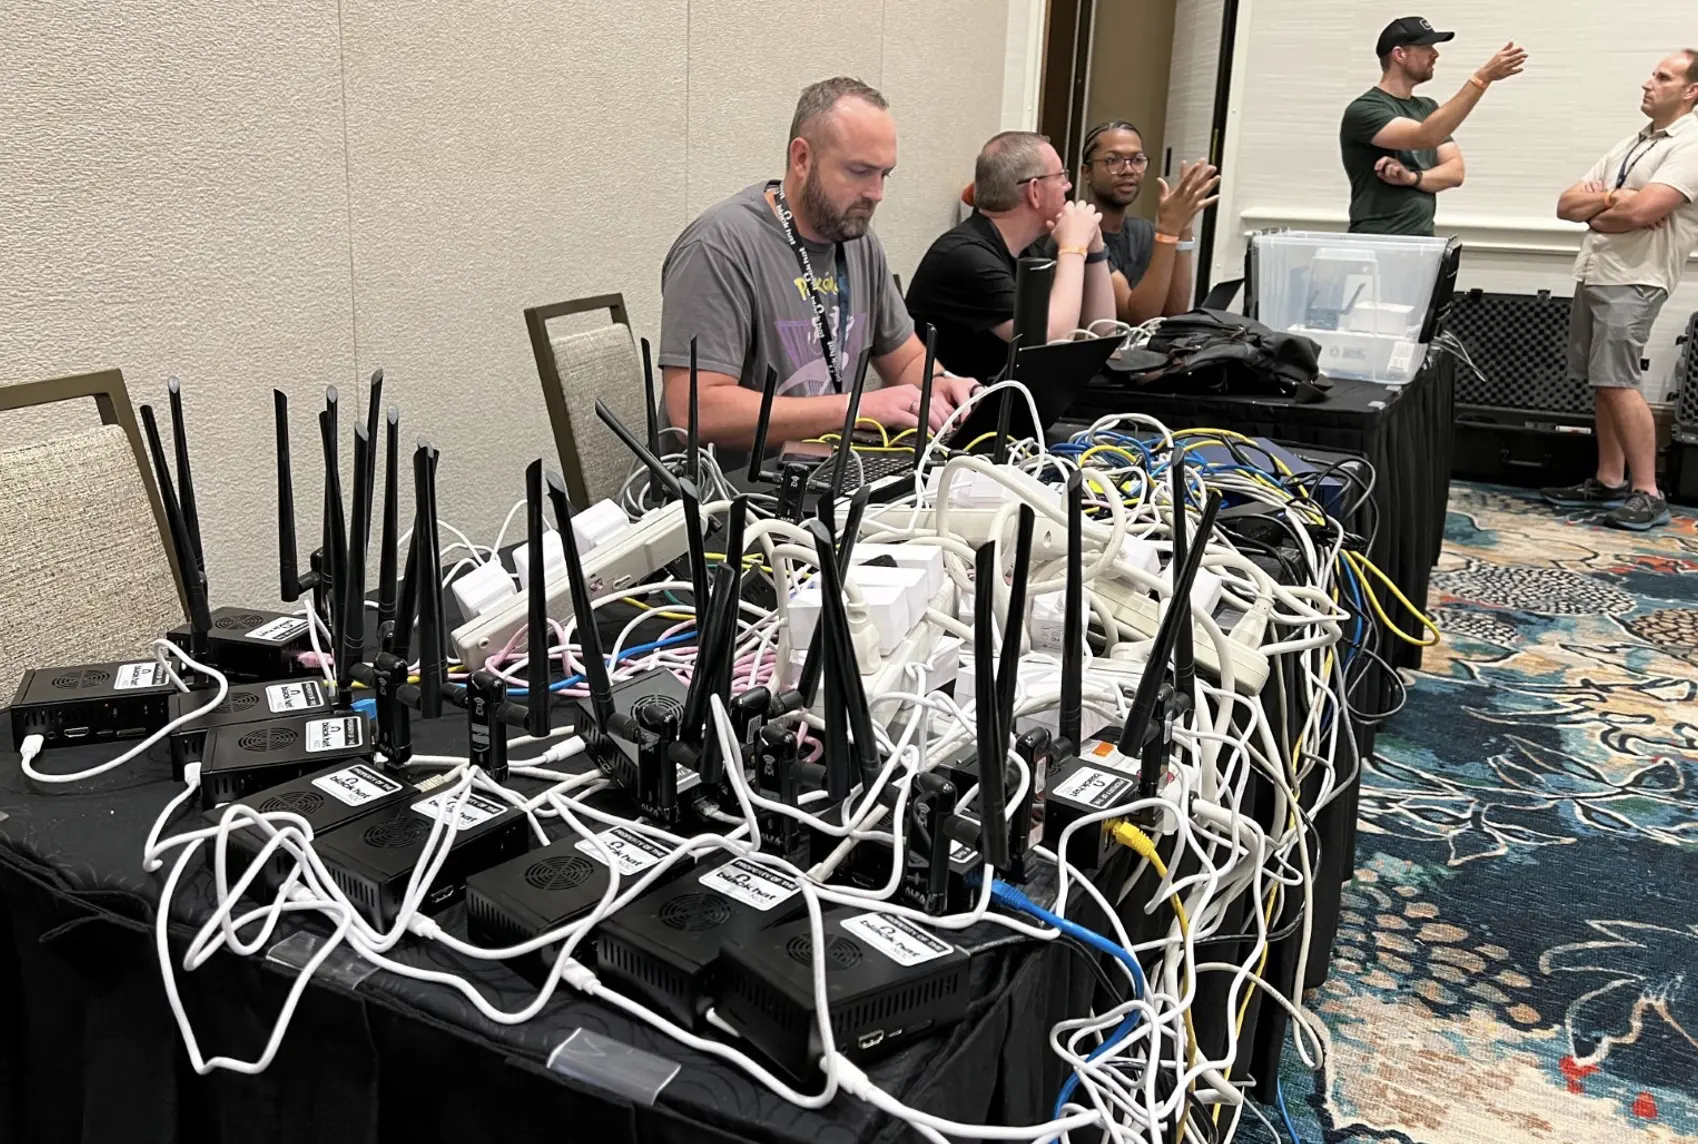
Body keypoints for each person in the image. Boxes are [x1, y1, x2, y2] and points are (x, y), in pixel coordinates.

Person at [659, 76, 977, 456]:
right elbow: (695, 413)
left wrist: (938, 382)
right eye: (860, 172)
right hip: (731, 496)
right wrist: (854, 408)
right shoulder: (720, 246)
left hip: (824, 476)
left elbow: (905, 356)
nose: (876, 193)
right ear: (802, 159)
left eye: (884, 174)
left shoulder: (857, 239)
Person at [1543, 52, 1698, 531]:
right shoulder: (1635, 143)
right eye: (1653, 74)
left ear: (1691, 91)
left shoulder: (1690, 143)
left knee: (1618, 380)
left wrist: (1608, 208)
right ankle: (1609, 479)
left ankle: (1647, 492)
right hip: (1598, 270)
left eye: (1663, 77)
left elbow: (1645, 210)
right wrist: (1611, 199)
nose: (1648, 83)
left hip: (1637, 275)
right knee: (1602, 380)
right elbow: (1567, 204)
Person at [904, 131, 1116, 384]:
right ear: (1034, 190)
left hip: (1007, 406)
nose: (1068, 186)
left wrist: (1094, 245)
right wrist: (1073, 246)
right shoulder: (966, 257)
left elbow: (1103, 332)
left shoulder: (1029, 250)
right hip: (953, 415)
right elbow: (1050, 342)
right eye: (1061, 176)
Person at [1339, 18, 1527, 235]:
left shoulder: (1427, 108)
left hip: (1422, 241)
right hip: (1377, 241)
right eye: (1426, 47)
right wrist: (1481, 79)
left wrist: (1412, 178)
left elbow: (1455, 172)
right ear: (1399, 54)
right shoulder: (1364, 110)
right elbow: (1425, 137)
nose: (1435, 54)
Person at [1034, 120, 1219, 324]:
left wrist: (1183, 228)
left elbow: (1174, 312)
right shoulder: (1073, 231)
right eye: (1113, 160)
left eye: (1137, 160)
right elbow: (1136, 316)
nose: (1129, 170)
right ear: (1086, 172)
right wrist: (1168, 230)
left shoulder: (1144, 231)